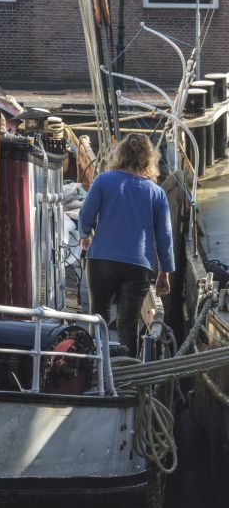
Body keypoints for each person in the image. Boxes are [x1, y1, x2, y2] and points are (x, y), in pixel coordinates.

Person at [77, 133, 174, 357]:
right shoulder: (157, 193)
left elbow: (86, 216)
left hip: (101, 261)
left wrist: (85, 234)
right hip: (138, 266)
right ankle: (129, 375)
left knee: (99, 317)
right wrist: (165, 272)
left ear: (120, 154)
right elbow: (164, 236)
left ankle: (97, 370)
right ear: (148, 159)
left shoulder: (103, 180)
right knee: (128, 324)